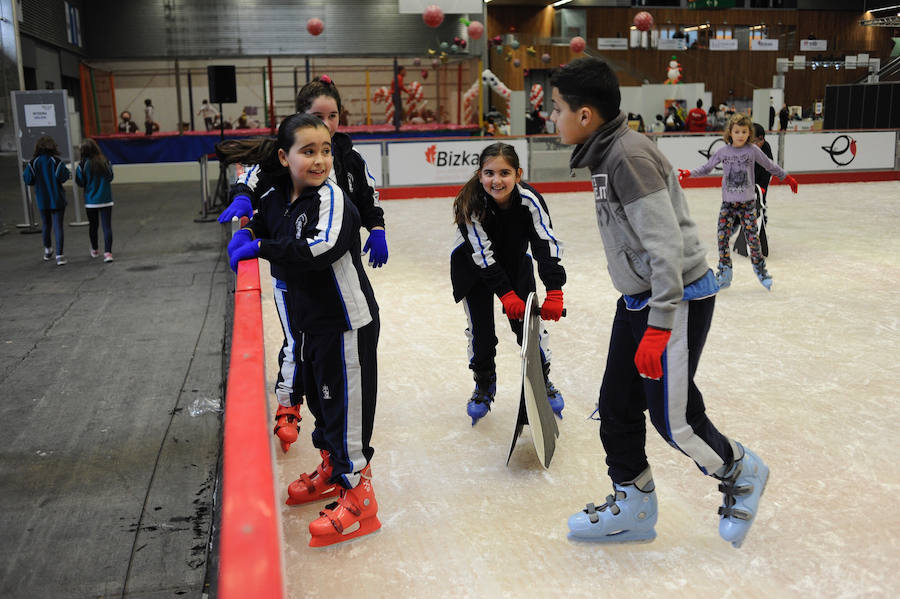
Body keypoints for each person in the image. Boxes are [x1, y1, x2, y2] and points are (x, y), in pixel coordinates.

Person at [549, 56, 769, 548]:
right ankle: (634, 505)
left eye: (557, 107)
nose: (552, 116)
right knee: (616, 406)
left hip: (674, 298)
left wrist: (660, 321)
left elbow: (665, 246)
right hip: (639, 299)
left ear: (585, 115)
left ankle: (741, 471)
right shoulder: (604, 153)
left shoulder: (626, 156)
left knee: (674, 420)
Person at [223, 113, 381, 547]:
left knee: (346, 410)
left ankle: (360, 496)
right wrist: (252, 226)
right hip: (312, 321)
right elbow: (268, 219)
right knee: (323, 401)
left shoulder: (332, 198)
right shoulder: (278, 195)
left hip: (345, 322)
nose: (320, 160)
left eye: (326, 150)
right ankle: (332, 467)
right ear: (284, 156)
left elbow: (320, 247)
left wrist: (260, 247)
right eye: (308, 151)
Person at [217, 75, 387, 454]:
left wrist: (376, 228)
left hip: (331, 278)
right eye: (317, 115)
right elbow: (258, 183)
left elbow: (364, 200)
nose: (327, 124)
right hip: (291, 275)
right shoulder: (286, 162)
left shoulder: (345, 162)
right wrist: (247, 209)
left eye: (333, 116)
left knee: (321, 353)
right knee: (298, 342)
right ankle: (289, 402)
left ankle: (338, 451)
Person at [450, 143, 566, 425]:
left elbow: (544, 243)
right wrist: (506, 295)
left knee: (527, 328)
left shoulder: (529, 201)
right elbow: (483, 256)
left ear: (518, 173)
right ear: (480, 175)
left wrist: (554, 290)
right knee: (482, 333)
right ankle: (484, 381)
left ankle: (542, 377)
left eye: (505, 172)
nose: (496, 180)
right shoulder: (470, 203)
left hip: (515, 263)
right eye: (489, 173)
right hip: (473, 268)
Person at [679, 113, 798, 291]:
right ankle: (725, 273)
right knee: (722, 238)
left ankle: (761, 272)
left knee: (753, 240)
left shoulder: (752, 150)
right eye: (737, 131)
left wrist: (786, 177)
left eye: (744, 131)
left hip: (747, 204)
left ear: (749, 132)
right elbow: (707, 167)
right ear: (730, 133)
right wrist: (689, 173)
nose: (740, 135)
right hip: (728, 204)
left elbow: (769, 165)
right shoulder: (723, 151)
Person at [23, 136, 70, 265]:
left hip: (42, 199)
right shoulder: (56, 161)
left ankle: (48, 250)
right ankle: (60, 256)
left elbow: (27, 179)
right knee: (58, 226)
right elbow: (63, 176)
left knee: (46, 224)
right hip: (57, 198)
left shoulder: (33, 162)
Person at [733, 123, 772, 258]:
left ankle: (759, 235)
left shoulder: (765, 148)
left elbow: (768, 169)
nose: (758, 143)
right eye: (755, 140)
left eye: (761, 140)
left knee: (759, 207)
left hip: (759, 182)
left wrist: (762, 189)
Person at [75, 139, 115, 263]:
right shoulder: (105, 161)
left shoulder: (82, 165)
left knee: (93, 225)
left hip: (91, 200)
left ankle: (95, 249)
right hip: (106, 199)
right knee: (106, 226)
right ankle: (108, 253)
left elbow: (80, 182)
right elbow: (110, 177)